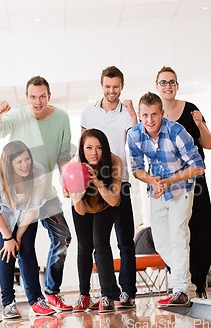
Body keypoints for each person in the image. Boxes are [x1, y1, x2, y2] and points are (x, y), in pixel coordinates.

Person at [0, 76, 73, 311]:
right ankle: (16, 303)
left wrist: (66, 179)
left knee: (64, 237)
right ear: (27, 97)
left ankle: (51, 291)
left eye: (42, 96)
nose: (38, 101)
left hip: (44, 193)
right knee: (21, 248)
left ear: (49, 96)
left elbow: (64, 156)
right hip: (16, 200)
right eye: (33, 97)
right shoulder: (17, 115)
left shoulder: (62, 118)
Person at [127, 92, 204, 307]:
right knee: (161, 242)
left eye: (154, 114)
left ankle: (180, 289)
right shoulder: (134, 135)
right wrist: (152, 181)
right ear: (140, 115)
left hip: (182, 188)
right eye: (144, 115)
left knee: (178, 236)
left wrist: (169, 181)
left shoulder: (176, 131)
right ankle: (187, 286)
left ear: (162, 113)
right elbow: (137, 169)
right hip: (158, 191)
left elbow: (198, 166)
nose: (149, 120)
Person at [155, 66, 211, 299]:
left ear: (177, 86)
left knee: (200, 229)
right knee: (175, 233)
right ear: (157, 86)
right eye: (163, 82)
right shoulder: (155, 115)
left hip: (195, 180)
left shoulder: (191, 110)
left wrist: (200, 124)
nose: (168, 86)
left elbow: (208, 143)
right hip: (170, 185)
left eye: (172, 82)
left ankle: (198, 282)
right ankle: (182, 281)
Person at [80, 66, 137, 309]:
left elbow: (135, 139)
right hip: (93, 182)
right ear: (101, 86)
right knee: (98, 242)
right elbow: (83, 146)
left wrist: (133, 113)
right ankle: (107, 293)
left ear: (121, 86)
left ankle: (128, 292)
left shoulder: (126, 113)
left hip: (118, 180)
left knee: (125, 241)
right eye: (107, 86)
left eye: (116, 86)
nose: (111, 91)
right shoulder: (88, 112)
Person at [0, 141, 55, 318]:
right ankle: (8, 304)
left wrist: (18, 236)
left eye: (27, 159)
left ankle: (36, 301)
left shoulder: (38, 172)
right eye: (19, 162)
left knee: (27, 250)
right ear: (9, 163)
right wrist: (9, 239)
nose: (25, 165)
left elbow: (33, 208)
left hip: (27, 216)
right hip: (3, 219)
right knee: (7, 254)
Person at [68, 129, 122, 313]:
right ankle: (84, 295)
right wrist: (76, 197)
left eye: (99, 148)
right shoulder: (74, 168)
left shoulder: (114, 161)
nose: (94, 152)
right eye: (89, 148)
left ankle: (108, 295)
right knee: (84, 247)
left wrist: (98, 182)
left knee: (100, 243)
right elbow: (81, 211)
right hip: (82, 204)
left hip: (106, 203)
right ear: (82, 150)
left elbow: (114, 200)